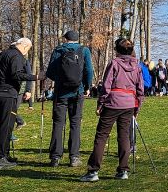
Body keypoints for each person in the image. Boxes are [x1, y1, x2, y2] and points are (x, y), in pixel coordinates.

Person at [81, 37, 144, 182]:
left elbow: (106, 85)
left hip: (113, 102)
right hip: (129, 103)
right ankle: (123, 170)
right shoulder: (137, 66)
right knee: (124, 136)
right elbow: (140, 89)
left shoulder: (114, 63)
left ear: (117, 50)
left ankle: (93, 171)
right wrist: (137, 107)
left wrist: (100, 104)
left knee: (102, 136)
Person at [45, 30, 94, 168]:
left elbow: (50, 72)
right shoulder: (84, 50)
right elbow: (89, 70)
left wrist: (60, 80)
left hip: (60, 93)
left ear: (66, 39)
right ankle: (74, 157)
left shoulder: (58, 50)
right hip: (77, 91)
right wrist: (87, 86)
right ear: (77, 39)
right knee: (75, 123)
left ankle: (55, 157)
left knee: (58, 123)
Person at [0, 38, 35, 169]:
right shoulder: (16, 56)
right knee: (7, 127)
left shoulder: (4, 53)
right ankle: (0, 157)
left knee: (3, 125)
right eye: (27, 50)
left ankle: (3, 155)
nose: (26, 53)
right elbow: (17, 75)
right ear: (24, 46)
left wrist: (1, 74)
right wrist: (36, 77)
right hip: (8, 94)